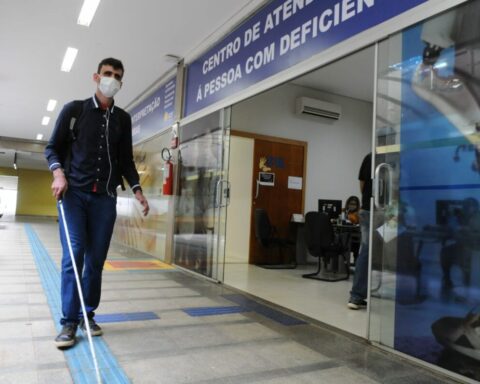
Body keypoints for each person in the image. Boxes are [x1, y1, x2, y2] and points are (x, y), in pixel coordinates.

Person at [45, 58, 149, 348]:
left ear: (121, 83)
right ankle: (68, 322)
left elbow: (126, 160)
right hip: (73, 194)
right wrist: (57, 174)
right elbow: (52, 147)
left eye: (117, 76)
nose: (112, 79)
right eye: (107, 74)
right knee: (75, 253)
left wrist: (138, 189)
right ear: (96, 77)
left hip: (105, 198)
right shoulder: (74, 110)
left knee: (96, 261)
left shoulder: (122, 119)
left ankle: (86, 314)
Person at [348, 153, 371, 310]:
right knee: (370, 251)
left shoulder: (369, 157)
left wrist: (366, 200)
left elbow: (362, 183)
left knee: (366, 251)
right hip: (383, 212)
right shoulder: (393, 158)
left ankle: (357, 295)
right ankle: (356, 296)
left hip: (367, 210)